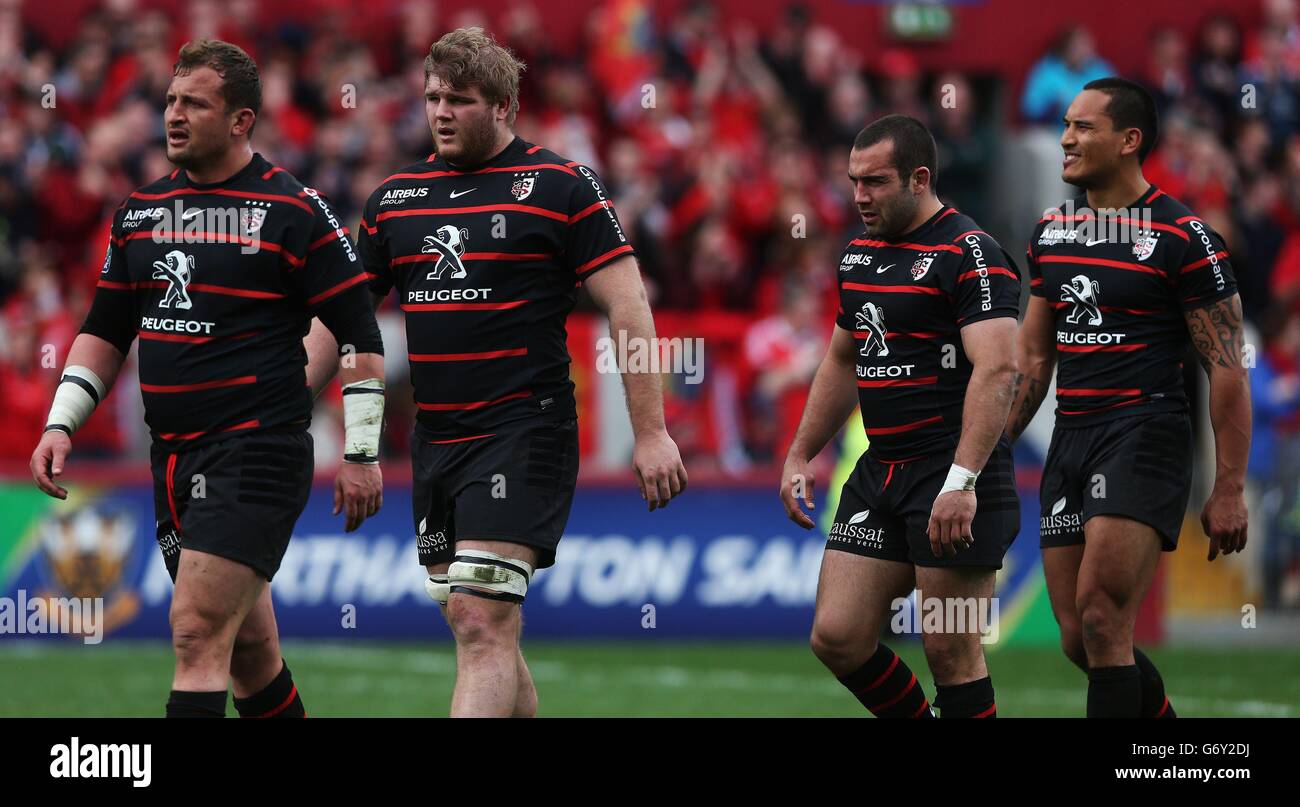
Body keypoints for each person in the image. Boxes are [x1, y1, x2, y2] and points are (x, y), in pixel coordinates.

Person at [313, 27, 687, 717]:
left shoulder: (560, 187)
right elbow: (343, 320)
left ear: (505, 105)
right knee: (478, 625)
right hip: (438, 440)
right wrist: (279, 407)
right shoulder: (396, 199)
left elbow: (629, 304)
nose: (441, 112)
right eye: (432, 97)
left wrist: (652, 431)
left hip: (524, 429)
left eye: (460, 98)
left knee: (481, 620)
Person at [29, 39, 386, 718]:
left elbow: (360, 336)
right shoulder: (140, 212)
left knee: (195, 633)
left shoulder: (294, 212)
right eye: (169, 100)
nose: (174, 115)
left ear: (242, 120)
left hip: (255, 451)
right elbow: (105, 331)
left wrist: (363, 451)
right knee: (250, 655)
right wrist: (61, 421)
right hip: (173, 458)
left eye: (194, 103)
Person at [1006, 77, 1251, 717]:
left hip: (1145, 432)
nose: (1066, 138)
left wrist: (1228, 486)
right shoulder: (1050, 232)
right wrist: (979, 459)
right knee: (1078, 637)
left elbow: (1227, 367)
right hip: (1071, 436)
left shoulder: (1183, 238)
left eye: (1084, 127)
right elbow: (1034, 357)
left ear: (1129, 140)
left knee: (1102, 615)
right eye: (1066, 124)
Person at [780, 114, 1021, 718]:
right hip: (882, 470)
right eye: (854, 181)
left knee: (951, 650)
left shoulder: (972, 253)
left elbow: (998, 371)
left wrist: (962, 481)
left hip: (954, 473)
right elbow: (842, 360)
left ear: (919, 178)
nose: (859, 196)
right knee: (837, 636)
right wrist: (801, 452)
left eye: (875, 182)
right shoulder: (859, 255)